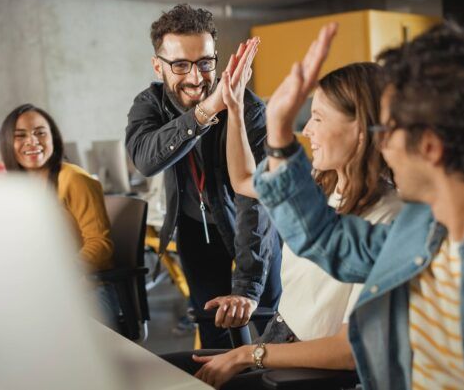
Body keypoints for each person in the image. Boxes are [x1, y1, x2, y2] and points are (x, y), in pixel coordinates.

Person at [253, 22, 464, 389]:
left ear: (430, 147)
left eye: (387, 130)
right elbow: (326, 238)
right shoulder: (424, 227)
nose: (381, 146)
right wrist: (278, 133)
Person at [165, 59, 404, 389]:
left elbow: (351, 350)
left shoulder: (390, 219)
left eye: (317, 118)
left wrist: (245, 355)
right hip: (277, 338)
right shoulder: (320, 187)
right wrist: (235, 109)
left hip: (310, 372)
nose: (307, 130)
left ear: (360, 130)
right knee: (155, 371)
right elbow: (244, 179)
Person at [125, 4, 282, 348]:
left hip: (252, 230)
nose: (196, 78)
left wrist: (247, 288)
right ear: (158, 66)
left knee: (274, 328)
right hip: (196, 229)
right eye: (181, 65)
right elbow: (146, 159)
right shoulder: (150, 105)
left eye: (205, 63)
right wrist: (206, 111)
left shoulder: (251, 110)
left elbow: (254, 203)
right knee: (213, 335)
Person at [0, 103, 120, 329]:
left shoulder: (73, 179)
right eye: (20, 136)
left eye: (40, 133)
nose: (32, 141)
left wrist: (59, 274)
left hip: (87, 289)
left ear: (52, 137)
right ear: (8, 143)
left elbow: (101, 245)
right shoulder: (15, 187)